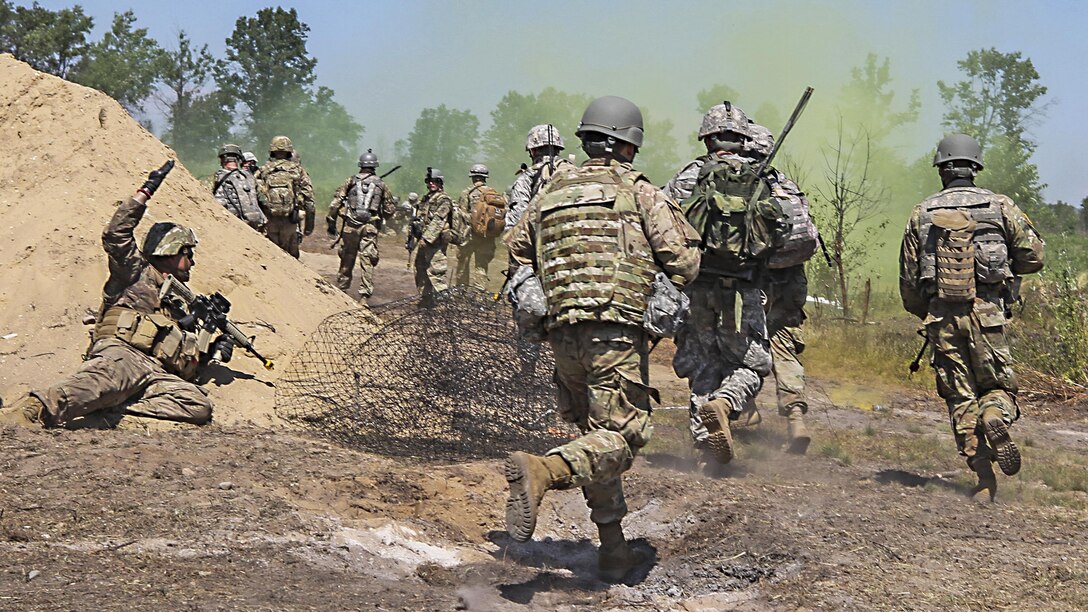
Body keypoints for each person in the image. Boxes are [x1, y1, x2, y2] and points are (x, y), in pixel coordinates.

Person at [504, 96, 701, 581]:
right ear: (629, 144)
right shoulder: (638, 191)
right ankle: (544, 471)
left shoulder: (548, 191)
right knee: (625, 435)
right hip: (613, 332)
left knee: (597, 437)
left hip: (561, 333)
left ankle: (613, 549)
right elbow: (684, 263)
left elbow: (514, 250)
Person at [0, 161, 232, 428]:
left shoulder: (179, 303)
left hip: (155, 373)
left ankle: (116, 412)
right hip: (123, 356)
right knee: (94, 385)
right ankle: (28, 413)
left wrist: (210, 353)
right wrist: (145, 192)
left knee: (197, 405)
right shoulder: (135, 272)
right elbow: (115, 234)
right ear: (172, 251)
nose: (192, 262)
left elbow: (183, 365)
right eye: (188, 254)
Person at [899, 134, 1044, 500]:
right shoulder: (1001, 206)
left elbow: (909, 280)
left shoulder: (922, 213)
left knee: (959, 396)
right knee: (999, 388)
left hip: (942, 319)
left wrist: (929, 311)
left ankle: (982, 478)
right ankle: (995, 416)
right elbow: (1034, 256)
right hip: (988, 316)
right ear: (975, 167)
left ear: (941, 170)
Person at [663, 102, 786, 466]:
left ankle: (704, 450)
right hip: (744, 291)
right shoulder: (764, 177)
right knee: (754, 364)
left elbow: (661, 224)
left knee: (704, 365)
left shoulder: (689, 176)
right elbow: (790, 233)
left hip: (697, 288)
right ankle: (727, 402)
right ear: (742, 139)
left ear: (707, 137)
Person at [733, 121, 819, 454]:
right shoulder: (786, 185)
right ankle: (796, 419)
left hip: (754, 278)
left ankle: (747, 406)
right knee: (784, 346)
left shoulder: (740, 184)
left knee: (741, 342)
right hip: (791, 279)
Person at [326, 150, 396, 303]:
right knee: (367, 261)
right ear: (375, 166)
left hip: (350, 227)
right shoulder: (381, 184)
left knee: (347, 258)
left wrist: (331, 222)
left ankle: (342, 289)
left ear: (360, 165)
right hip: (369, 227)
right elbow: (390, 210)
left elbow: (335, 204)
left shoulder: (350, 181)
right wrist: (381, 218)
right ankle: (364, 297)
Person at [254, 135, 314, 258]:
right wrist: (309, 226)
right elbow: (309, 200)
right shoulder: (298, 170)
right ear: (289, 151)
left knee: (272, 256)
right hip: (290, 221)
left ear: (272, 151)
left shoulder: (264, 170)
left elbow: (253, 193)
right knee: (290, 258)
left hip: (269, 220)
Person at [505, 124, 573, 230]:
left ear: (533, 151)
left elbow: (516, 220)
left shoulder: (528, 177)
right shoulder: (573, 171)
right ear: (558, 148)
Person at [453, 164, 507, 290]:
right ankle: (479, 295)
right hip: (487, 236)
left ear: (472, 177)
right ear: (485, 177)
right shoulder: (493, 193)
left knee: (463, 263)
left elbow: (462, 215)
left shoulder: (467, 192)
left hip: (469, 234)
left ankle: (461, 292)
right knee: (481, 267)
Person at [409, 167, 453, 305]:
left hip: (436, 242)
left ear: (440, 182)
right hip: (424, 240)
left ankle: (443, 304)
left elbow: (439, 221)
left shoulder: (444, 199)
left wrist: (427, 239)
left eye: (434, 181)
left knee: (437, 272)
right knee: (420, 269)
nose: (431, 184)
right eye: (429, 181)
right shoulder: (427, 198)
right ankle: (425, 299)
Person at [213, 143, 266, 231]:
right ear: (238, 159)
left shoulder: (217, 177)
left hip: (232, 227)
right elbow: (262, 200)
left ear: (222, 159)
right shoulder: (249, 177)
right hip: (254, 225)